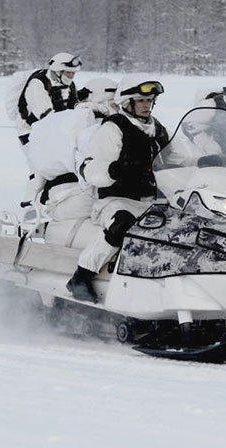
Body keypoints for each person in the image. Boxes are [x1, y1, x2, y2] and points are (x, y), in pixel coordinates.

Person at [66, 76, 169, 302]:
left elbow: (178, 156)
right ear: (126, 103)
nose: (146, 105)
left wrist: (203, 161)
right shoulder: (114, 127)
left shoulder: (158, 129)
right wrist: (114, 170)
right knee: (122, 223)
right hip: (116, 200)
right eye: (140, 100)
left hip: (152, 200)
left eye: (149, 100)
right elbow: (91, 168)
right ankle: (81, 276)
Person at [26, 77, 118, 221]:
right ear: (103, 101)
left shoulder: (59, 121)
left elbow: (39, 173)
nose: (118, 109)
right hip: (83, 197)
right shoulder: (97, 125)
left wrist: (32, 200)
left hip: (56, 199)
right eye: (115, 104)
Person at [15, 52, 82, 209]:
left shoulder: (68, 85)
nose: (71, 76)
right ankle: (30, 204)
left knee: (58, 164)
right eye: (68, 72)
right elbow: (45, 116)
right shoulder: (38, 84)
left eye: (73, 73)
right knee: (39, 165)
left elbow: (73, 107)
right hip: (30, 131)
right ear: (58, 71)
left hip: (55, 130)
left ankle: (53, 197)